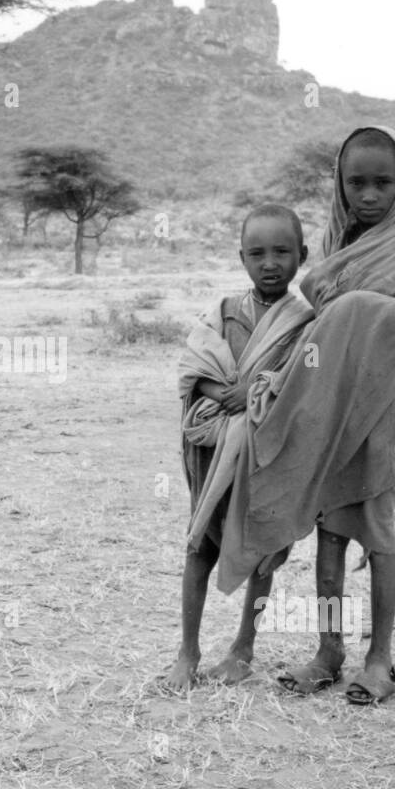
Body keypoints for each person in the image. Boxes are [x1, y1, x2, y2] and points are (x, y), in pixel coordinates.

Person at [217, 126, 395, 705]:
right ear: (340, 186)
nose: (368, 195)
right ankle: (329, 651)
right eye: (356, 183)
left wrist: (356, 310)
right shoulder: (334, 253)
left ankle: (380, 659)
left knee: (375, 533)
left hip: (380, 416)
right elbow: (317, 332)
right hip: (331, 416)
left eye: (382, 183)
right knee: (329, 538)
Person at [162, 204, 313, 692]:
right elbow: (194, 372)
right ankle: (188, 651)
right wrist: (221, 393)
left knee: (263, 548)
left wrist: (254, 391)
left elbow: (301, 385)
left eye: (282, 252)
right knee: (199, 542)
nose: (270, 263)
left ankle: (244, 648)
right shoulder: (223, 313)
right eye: (257, 253)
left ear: (302, 256)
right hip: (214, 456)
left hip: (268, 454)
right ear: (242, 259)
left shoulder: (305, 322)